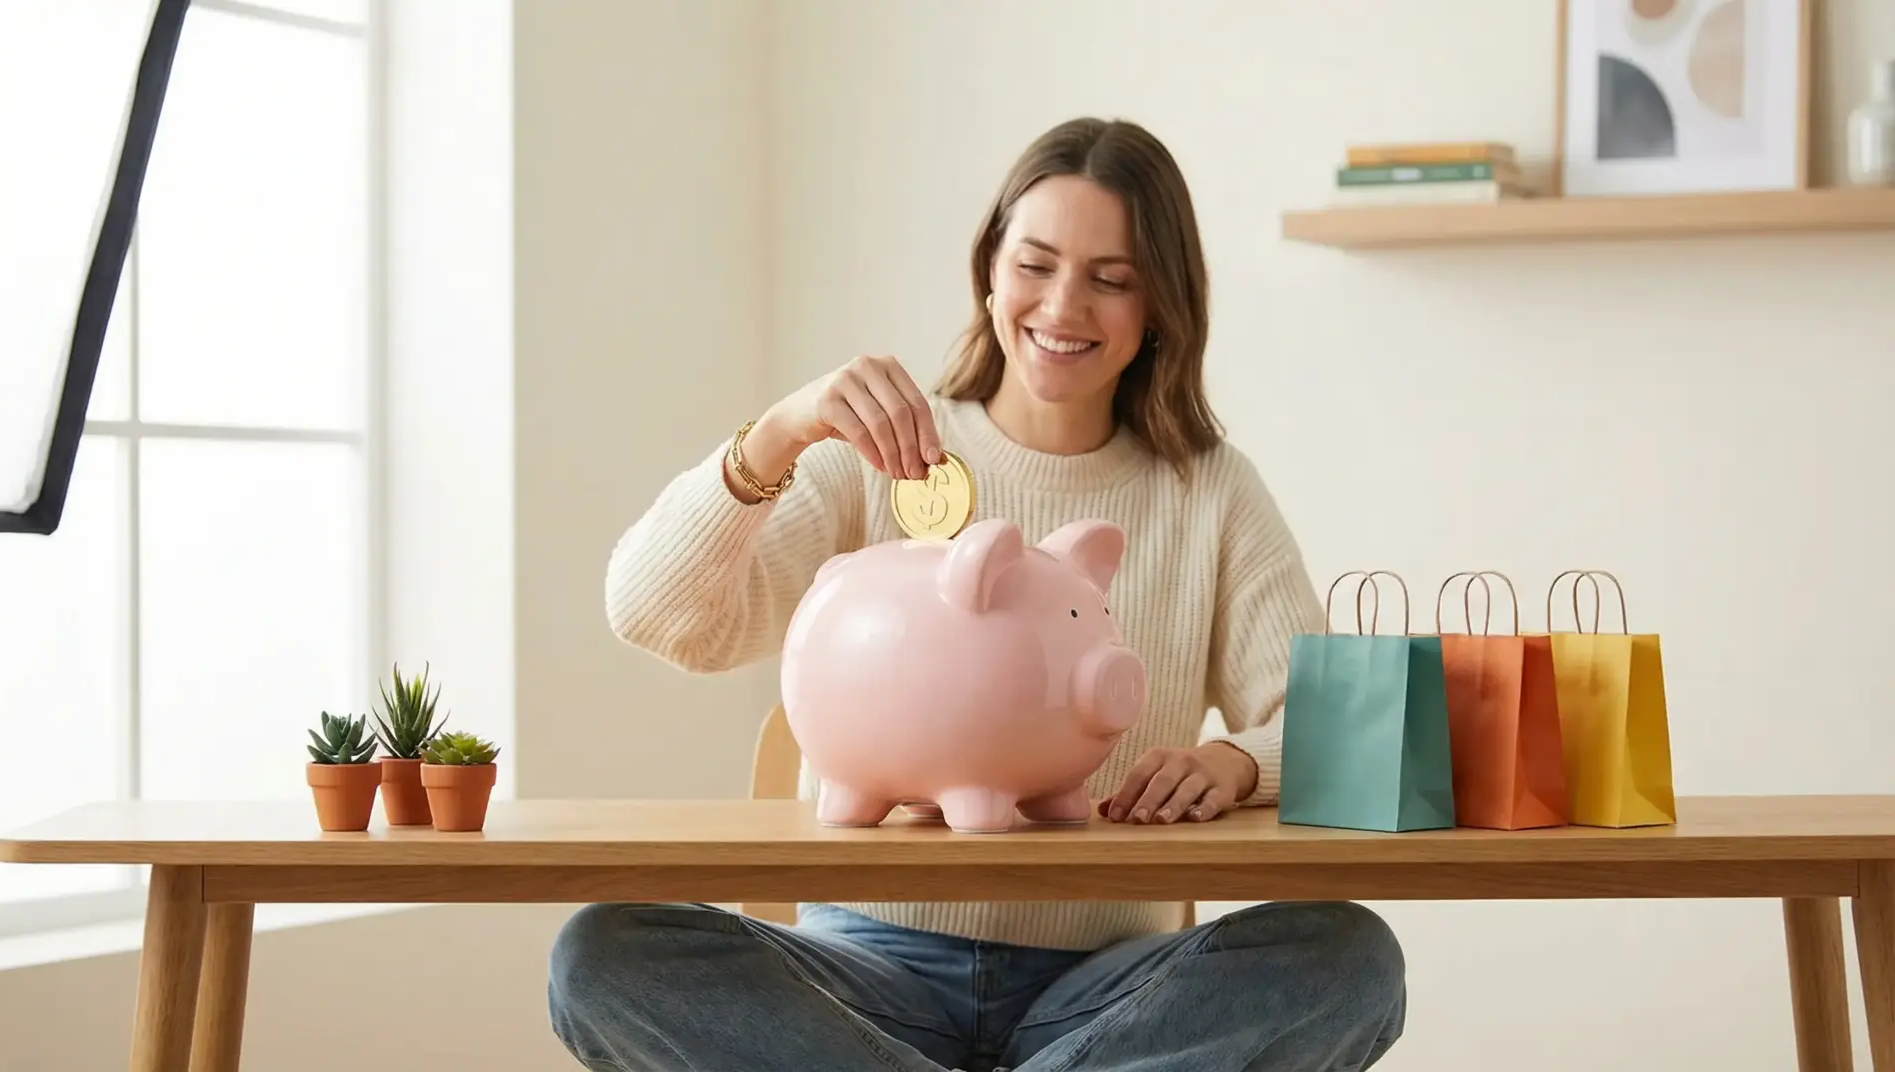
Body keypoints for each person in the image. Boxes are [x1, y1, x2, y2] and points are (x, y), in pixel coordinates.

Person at [547, 116, 1406, 1072]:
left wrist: (1240, 763)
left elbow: (1339, 726)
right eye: (1034, 264)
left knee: (1350, 958)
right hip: (858, 979)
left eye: (1111, 279)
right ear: (988, 269)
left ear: (1161, 301)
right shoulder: (877, 458)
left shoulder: (1209, 490)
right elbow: (656, 615)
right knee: (602, 955)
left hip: (1108, 994)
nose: (1064, 306)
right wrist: (779, 434)